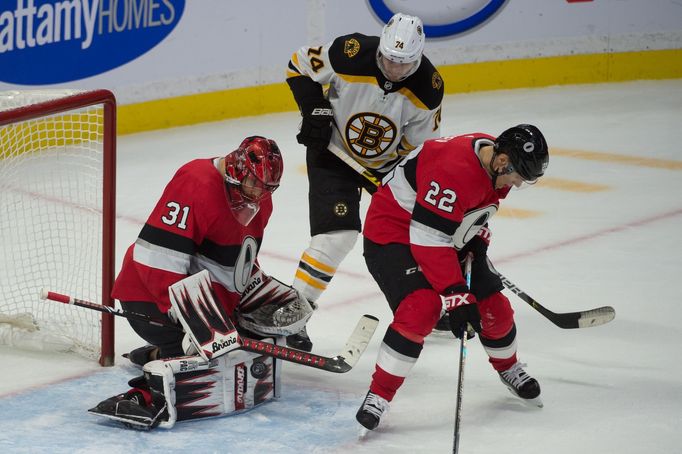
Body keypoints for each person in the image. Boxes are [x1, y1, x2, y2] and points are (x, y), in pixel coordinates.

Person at [89, 136, 313, 429]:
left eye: (267, 188)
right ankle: (142, 391)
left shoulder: (258, 199)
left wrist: (259, 298)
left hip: (198, 296)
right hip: (148, 297)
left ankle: (156, 353)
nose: (259, 194)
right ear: (237, 169)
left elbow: (234, 261)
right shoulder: (197, 181)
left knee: (242, 346)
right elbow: (156, 259)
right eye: (255, 185)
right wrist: (192, 322)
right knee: (213, 354)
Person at [355, 125, 550, 431]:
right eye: (518, 176)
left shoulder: (494, 158)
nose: (516, 184)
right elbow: (427, 242)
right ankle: (379, 395)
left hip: (442, 234)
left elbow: (476, 208)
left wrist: (477, 236)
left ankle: (509, 368)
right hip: (392, 235)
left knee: (494, 309)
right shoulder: (454, 171)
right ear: (502, 162)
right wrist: (456, 295)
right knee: (422, 309)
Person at [285, 12, 444, 351]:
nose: (393, 69)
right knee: (336, 237)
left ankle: (421, 306)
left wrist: (397, 175)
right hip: (333, 153)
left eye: (403, 64)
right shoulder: (350, 52)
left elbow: (421, 147)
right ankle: (293, 319)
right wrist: (314, 108)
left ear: (418, 58)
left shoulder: (429, 89)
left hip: (387, 167)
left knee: (419, 233)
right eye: (388, 59)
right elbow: (297, 64)